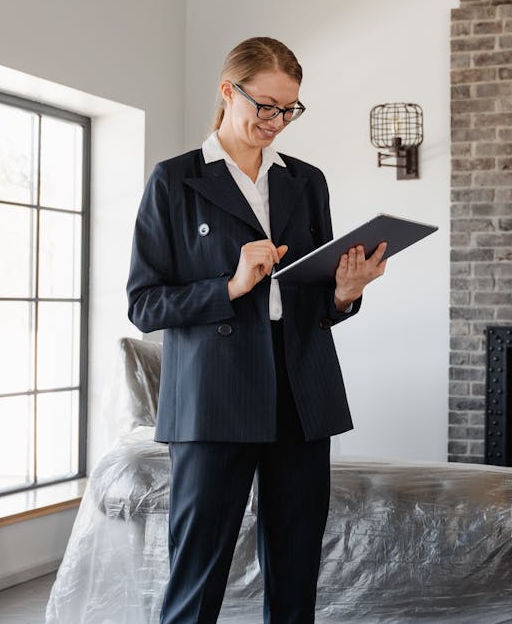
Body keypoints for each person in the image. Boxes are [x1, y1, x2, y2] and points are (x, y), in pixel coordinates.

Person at [126, 36, 387, 624]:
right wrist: (230, 285)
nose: (276, 122)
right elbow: (144, 304)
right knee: (198, 572)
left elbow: (317, 295)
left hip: (301, 386)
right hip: (214, 394)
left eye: (289, 109)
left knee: (296, 570)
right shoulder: (174, 181)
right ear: (228, 91)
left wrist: (345, 294)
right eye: (265, 106)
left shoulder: (306, 181)